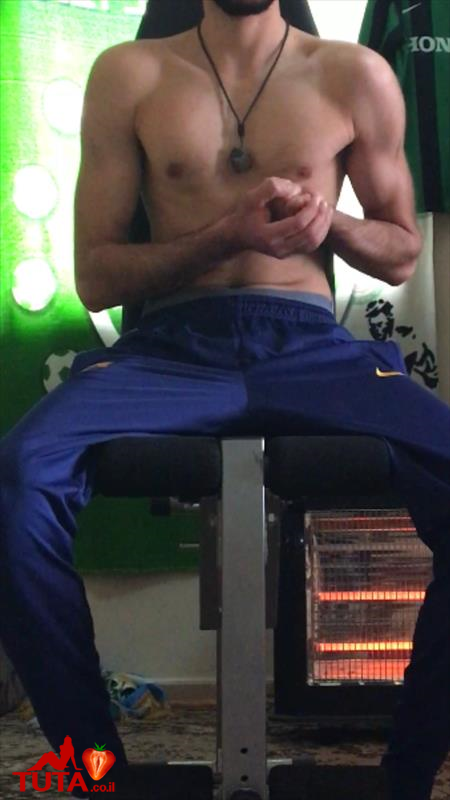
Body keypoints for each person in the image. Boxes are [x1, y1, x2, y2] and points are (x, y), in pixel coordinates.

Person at [0, 1, 449, 798]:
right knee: (18, 476)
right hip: (170, 348)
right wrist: (227, 233)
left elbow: (401, 253)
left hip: (310, 348)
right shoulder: (130, 75)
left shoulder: (354, 74)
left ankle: (405, 781)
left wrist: (329, 224)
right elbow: (97, 277)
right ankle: (94, 775)